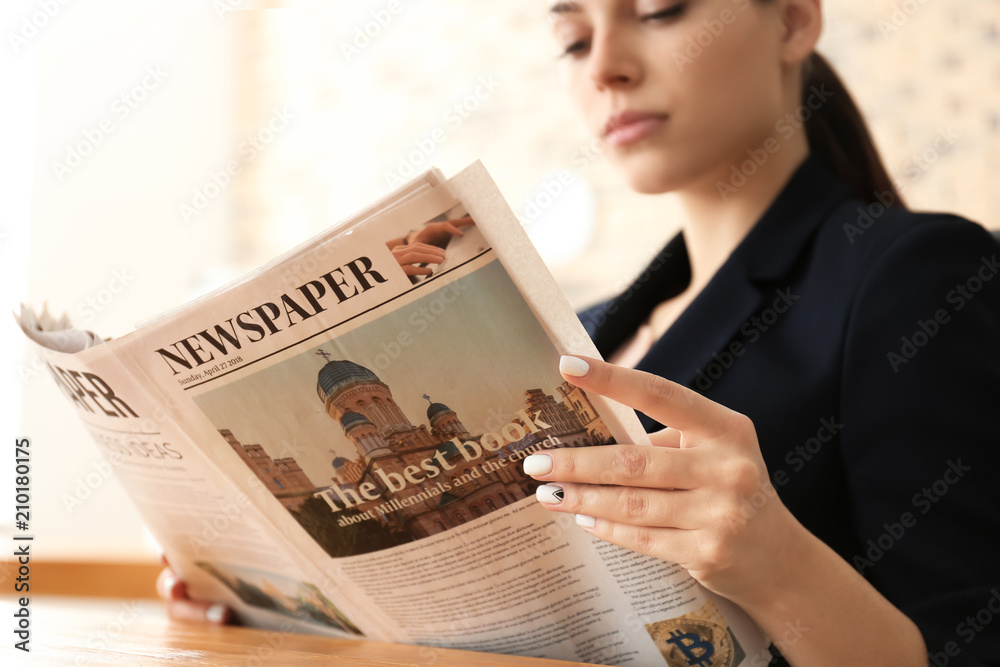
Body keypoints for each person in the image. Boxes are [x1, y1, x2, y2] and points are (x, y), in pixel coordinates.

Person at [160, 1, 1000, 664]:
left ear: (793, 19)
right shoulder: (585, 333)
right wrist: (282, 603)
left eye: (662, 9)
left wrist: (777, 564)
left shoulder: (916, 272)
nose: (605, 67)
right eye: (570, 38)